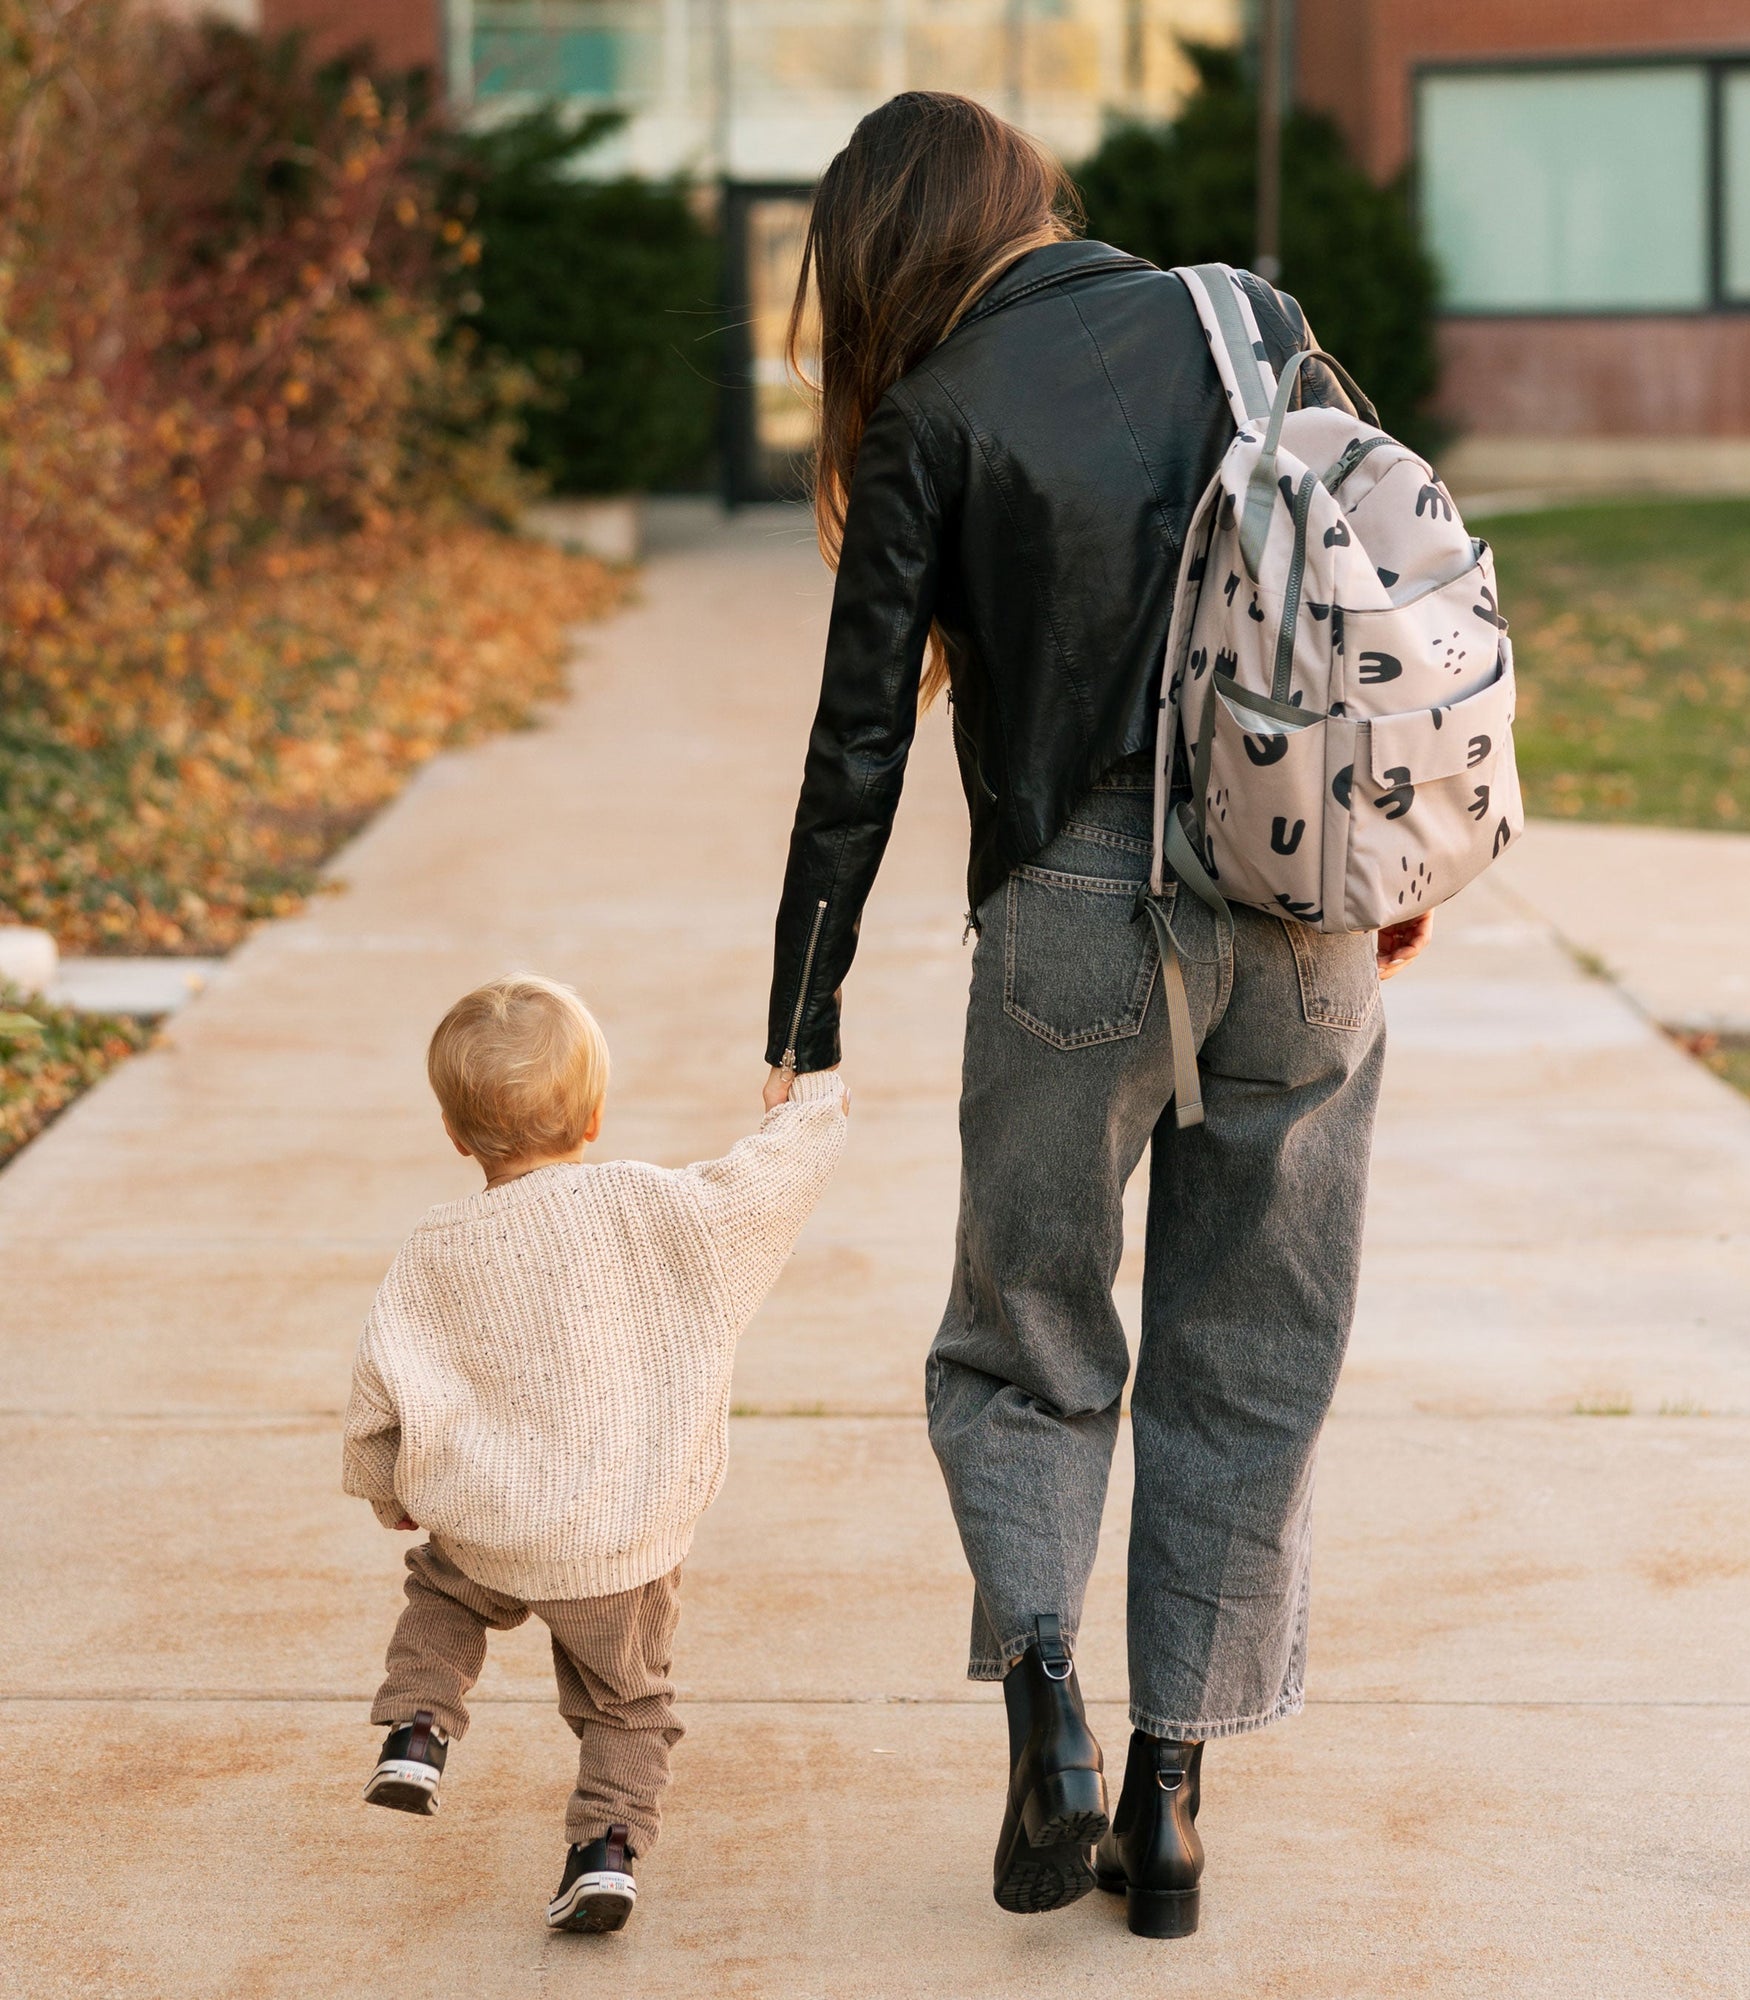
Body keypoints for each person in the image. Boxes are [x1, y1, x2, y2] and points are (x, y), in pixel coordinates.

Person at [763, 92, 1432, 1940]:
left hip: (1075, 921)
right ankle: (1176, 1805)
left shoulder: (927, 415)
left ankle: (1050, 1704)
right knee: (1253, 1354)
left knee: (1026, 1330)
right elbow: (1383, 597)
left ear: (881, 258)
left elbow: (859, 747)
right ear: (1025, 197)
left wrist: (804, 1007)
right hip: (1299, 901)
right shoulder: (1248, 319)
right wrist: (1402, 871)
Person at [343, 973, 847, 1933]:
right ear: (595, 1115)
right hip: (621, 1540)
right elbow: (758, 1191)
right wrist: (809, 1106)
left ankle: (417, 1727)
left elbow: (382, 1381)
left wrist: (389, 1489)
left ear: (455, 1134)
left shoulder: (436, 1245)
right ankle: (605, 1850)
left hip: (489, 1525)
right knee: (628, 1699)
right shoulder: (651, 1207)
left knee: (444, 1593)